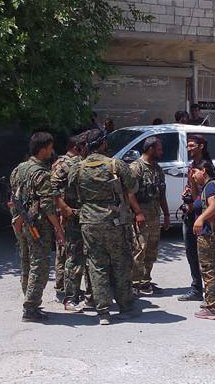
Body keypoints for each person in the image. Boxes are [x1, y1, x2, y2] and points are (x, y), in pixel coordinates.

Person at [66, 129, 143, 325]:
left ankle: (103, 312)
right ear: (102, 144)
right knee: (120, 261)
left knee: (96, 263)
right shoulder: (115, 164)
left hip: (89, 222)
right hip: (114, 220)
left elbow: (70, 193)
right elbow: (133, 187)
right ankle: (125, 306)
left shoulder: (78, 167)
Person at [9, 132, 64, 322]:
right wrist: (58, 229)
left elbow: (14, 197)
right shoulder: (41, 173)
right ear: (43, 149)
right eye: (50, 148)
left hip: (20, 222)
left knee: (26, 261)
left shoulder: (19, 169)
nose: (52, 151)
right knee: (39, 264)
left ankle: (29, 300)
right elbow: (48, 206)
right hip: (37, 225)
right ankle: (31, 308)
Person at [51, 133, 91, 311]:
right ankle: (68, 294)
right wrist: (64, 209)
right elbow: (52, 189)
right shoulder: (66, 164)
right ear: (78, 147)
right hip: (70, 215)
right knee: (71, 254)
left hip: (75, 214)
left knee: (67, 253)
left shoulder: (71, 163)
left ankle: (65, 287)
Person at [178, 134, 215, 302]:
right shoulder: (192, 165)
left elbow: (210, 194)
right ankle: (196, 287)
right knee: (191, 252)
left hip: (201, 215)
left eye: (192, 145)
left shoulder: (206, 167)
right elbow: (192, 189)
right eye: (188, 146)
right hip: (191, 213)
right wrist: (187, 190)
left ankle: (211, 294)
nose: (189, 148)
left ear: (201, 146)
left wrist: (194, 200)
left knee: (205, 256)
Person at [130, 136, 171, 295]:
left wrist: (166, 214)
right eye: (159, 149)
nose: (161, 152)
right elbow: (130, 194)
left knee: (151, 250)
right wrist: (138, 213)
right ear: (150, 149)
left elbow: (162, 193)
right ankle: (134, 283)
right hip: (141, 216)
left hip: (154, 215)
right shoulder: (136, 167)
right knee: (139, 249)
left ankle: (145, 281)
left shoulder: (157, 169)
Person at [191, 159, 215, 319]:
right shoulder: (214, 185)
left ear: (203, 171)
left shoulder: (210, 186)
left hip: (209, 234)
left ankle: (211, 306)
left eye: (195, 172)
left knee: (208, 269)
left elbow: (214, 206)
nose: (193, 175)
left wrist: (200, 219)